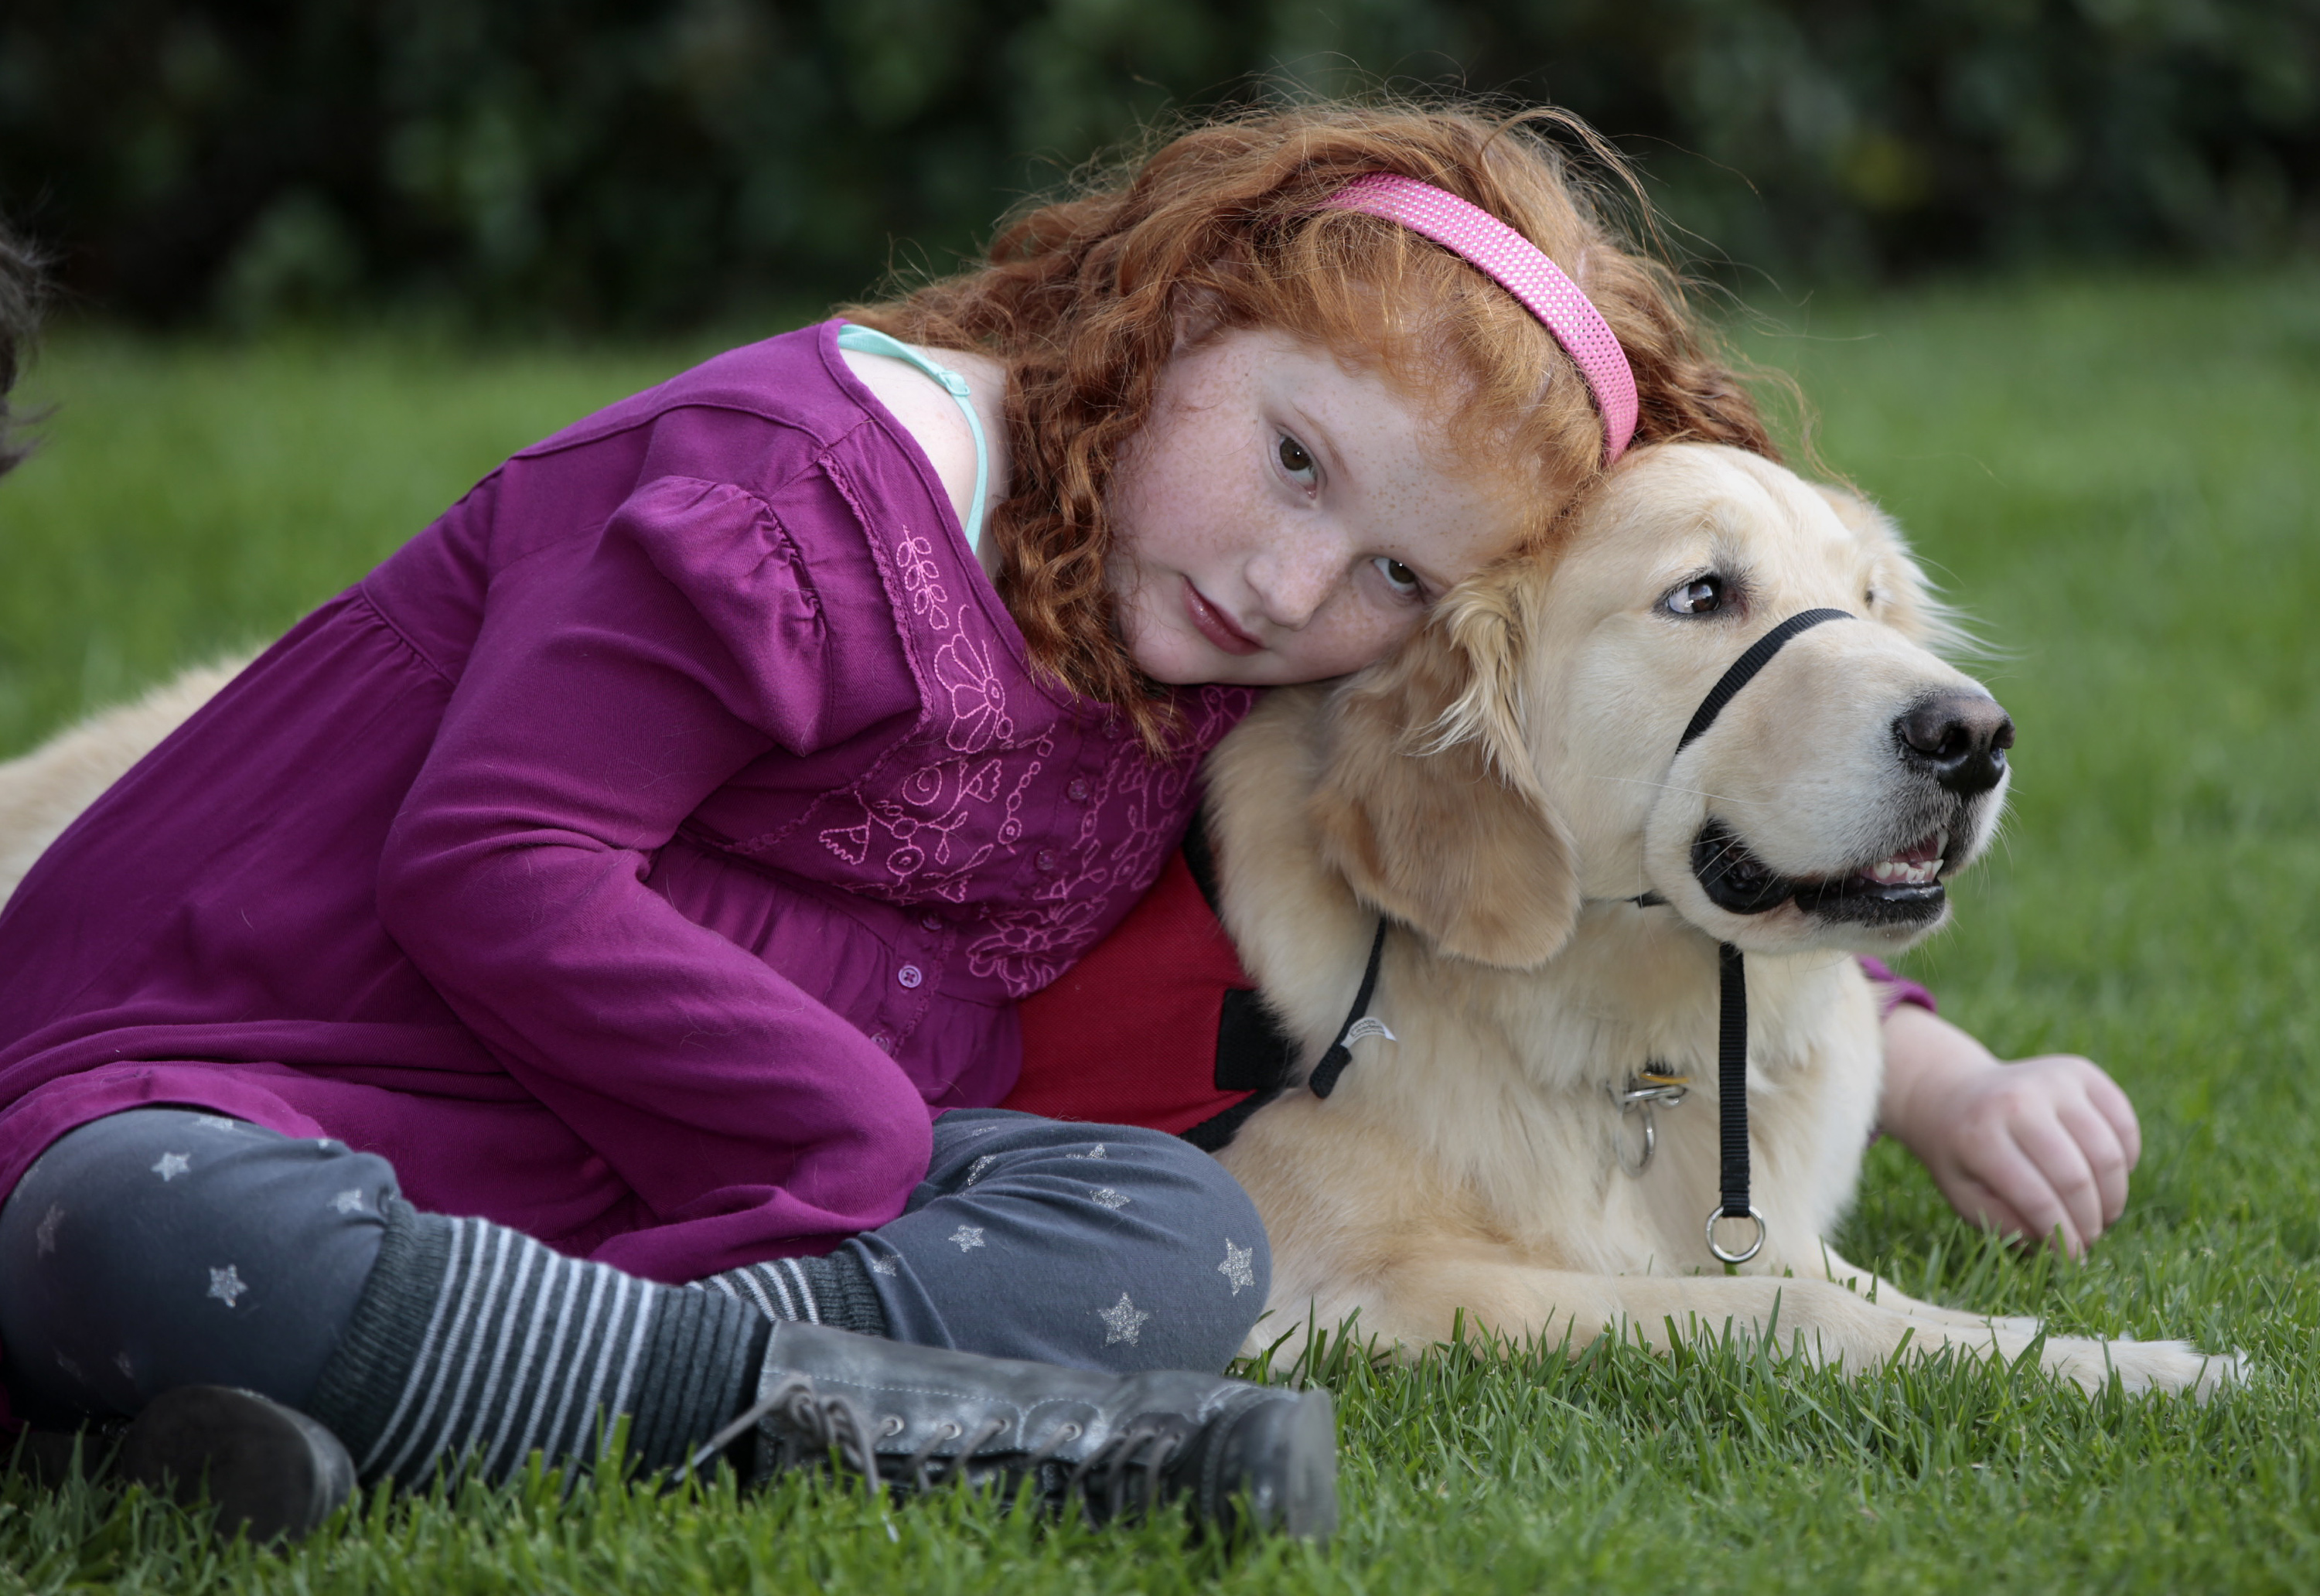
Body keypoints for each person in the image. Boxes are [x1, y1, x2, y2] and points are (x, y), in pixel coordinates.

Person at [0, 101, 2133, 1544]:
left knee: (1177, 1236)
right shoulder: (795, 491)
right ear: (1178, 313)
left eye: (1395, 572)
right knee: (134, 1224)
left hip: (640, 1188)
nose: (1296, 584)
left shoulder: (1201, 644)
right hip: (256, 1076)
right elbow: (494, 862)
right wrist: (846, 1134)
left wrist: (1921, 1052)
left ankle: (426, 1390)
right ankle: (812, 1411)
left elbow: (1606, 769)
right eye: (1293, 458)